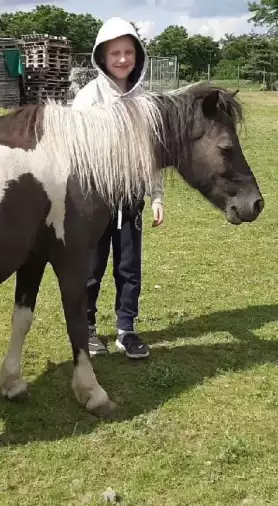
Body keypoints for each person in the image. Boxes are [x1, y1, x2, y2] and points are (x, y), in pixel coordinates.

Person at [70, 17, 164, 360]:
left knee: (129, 268)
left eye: (129, 52)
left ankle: (127, 329)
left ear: (137, 55)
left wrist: (156, 197)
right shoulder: (87, 98)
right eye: (115, 53)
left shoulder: (145, 100)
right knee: (91, 268)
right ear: (102, 56)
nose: (123, 59)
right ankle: (88, 327)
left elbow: (153, 154)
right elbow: (74, 153)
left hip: (132, 200)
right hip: (95, 199)